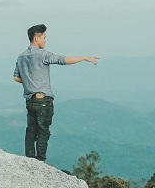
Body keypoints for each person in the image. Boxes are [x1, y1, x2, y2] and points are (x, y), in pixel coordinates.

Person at [13, 24, 99, 161]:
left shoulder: (21, 57)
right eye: (44, 37)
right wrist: (84, 58)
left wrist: (30, 83)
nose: (46, 40)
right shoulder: (43, 54)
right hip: (43, 101)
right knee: (43, 132)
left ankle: (29, 159)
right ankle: (40, 160)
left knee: (30, 131)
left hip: (30, 100)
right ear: (36, 38)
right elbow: (62, 60)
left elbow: (16, 77)